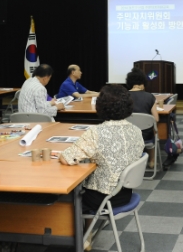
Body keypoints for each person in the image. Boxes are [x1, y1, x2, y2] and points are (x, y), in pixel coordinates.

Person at [57, 85, 144, 250]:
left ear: (100, 106)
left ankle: (80, 237)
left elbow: (66, 158)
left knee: (73, 192)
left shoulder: (96, 133)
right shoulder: (136, 131)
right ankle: (88, 235)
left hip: (103, 199)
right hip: (126, 193)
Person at [126, 67, 158, 168]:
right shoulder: (150, 97)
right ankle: (152, 160)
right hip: (146, 136)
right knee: (152, 130)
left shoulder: (123, 96)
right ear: (143, 83)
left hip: (127, 135)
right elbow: (156, 119)